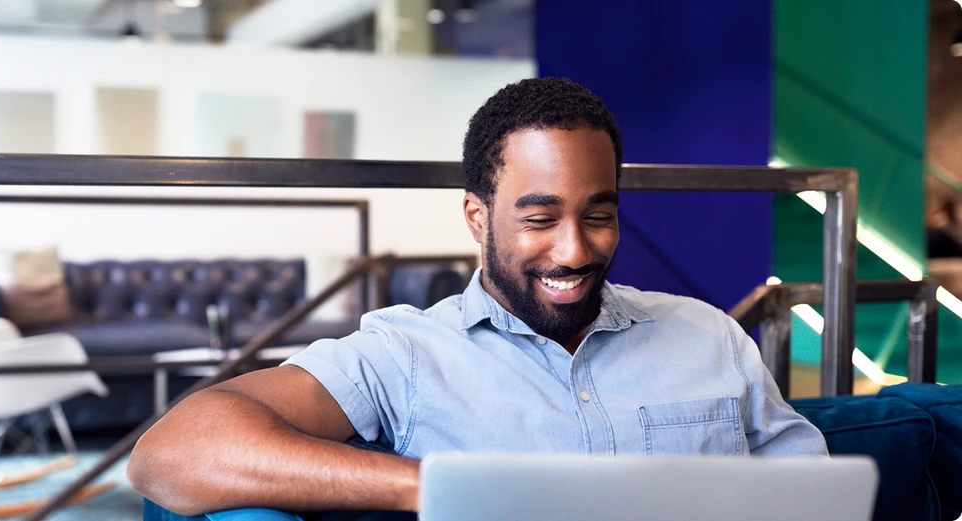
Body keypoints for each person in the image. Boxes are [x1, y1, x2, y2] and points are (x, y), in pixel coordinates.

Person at [126, 77, 828, 518]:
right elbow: (172, 454)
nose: (575, 250)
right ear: (476, 217)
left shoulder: (708, 334)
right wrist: (437, 486)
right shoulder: (406, 353)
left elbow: (817, 497)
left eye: (598, 214)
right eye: (539, 219)